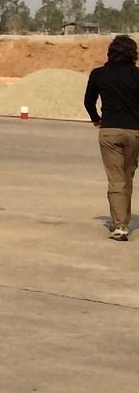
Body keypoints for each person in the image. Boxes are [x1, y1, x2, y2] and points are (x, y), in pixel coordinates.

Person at [84, 34, 139, 242]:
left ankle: (120, 226)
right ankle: (123, 217)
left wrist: (96, 119)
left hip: (110, 131)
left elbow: (88, 101)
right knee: (127, 176)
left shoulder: (99, 74)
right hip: (134, 132)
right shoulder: (137, 75)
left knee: (116, 179)